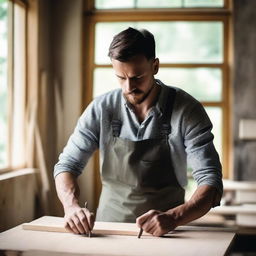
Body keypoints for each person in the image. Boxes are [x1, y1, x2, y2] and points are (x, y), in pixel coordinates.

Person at [54, 27, 223, 237]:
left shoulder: (187, 110)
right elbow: (66, 165)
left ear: (155, 66)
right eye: (120, 78)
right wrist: (71, 207)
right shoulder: (101, 108)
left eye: (137, 77)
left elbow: (210, 180)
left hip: (168, 233)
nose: (128, 87)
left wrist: (175, 217)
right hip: (109, 231)